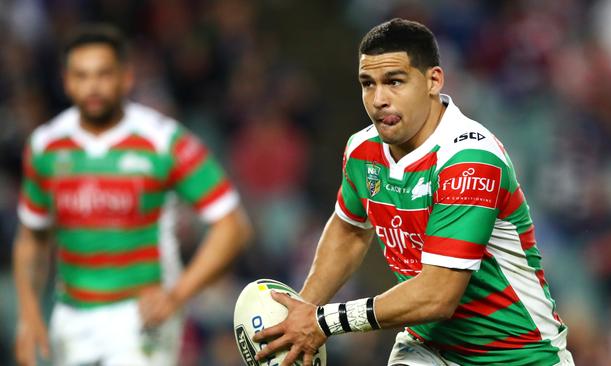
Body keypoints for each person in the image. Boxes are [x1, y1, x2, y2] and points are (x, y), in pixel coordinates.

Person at [254, 18, 574, 366]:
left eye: (394, 82)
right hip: (428, 348)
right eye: (368, 84)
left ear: (433, 80)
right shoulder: (362, 150)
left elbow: (437, 296)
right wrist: (300, 314)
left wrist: (324, 321)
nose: (378, 99)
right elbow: (348, 230)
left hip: (519, 355)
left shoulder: (469, 160)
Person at [13, 24, 253, 366]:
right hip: (71, 316)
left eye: (103, 74)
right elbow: (32, 238)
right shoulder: (45, 147)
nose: (92, 86)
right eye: (81, 75)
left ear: (126, 77)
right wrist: (28, 314)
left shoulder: (164, 141)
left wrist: (177, 294)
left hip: (141, 315)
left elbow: (233, 226)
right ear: (66, 81)